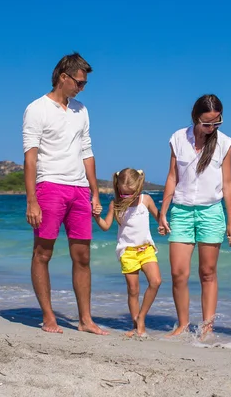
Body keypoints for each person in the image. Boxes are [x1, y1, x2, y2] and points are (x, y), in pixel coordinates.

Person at [22, 52, 108, 335]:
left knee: (82, 256)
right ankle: (49, 317)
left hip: (80, 189)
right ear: (63, 77)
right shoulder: (36, 109)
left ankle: (85, 320)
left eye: (84, 84)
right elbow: (30, 157)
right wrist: (31, 199)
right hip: (49, 187)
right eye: (79, 83)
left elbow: (87, 152)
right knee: (42, 253)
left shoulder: (81, 110)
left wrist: (95, 193)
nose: (82, 88)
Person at [158, 94, 231, 338]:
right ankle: (182, 325)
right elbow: (172, 176)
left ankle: (207, 328)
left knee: (208, 272)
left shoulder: (225, 143)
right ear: (195, 118)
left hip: (211, 212)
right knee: (178, 273)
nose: (211, 128)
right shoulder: (178, 138)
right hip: (181, 211)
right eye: (206, 123)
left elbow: (227, 183)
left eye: (217, 123)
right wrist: (163, 212)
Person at [93, 168, 162, 336]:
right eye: (123, 194)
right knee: (133, 290)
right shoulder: (115, 205)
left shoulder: (146, 200)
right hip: (127, 252)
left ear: (138, 188)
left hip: (146, 249)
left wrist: (163, 225)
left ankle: (141, 317)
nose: (127, 197)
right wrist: (96, 217)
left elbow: (159, 218)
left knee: (156, 281)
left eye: (130, 194)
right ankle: (137, 327)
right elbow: (106, 226)